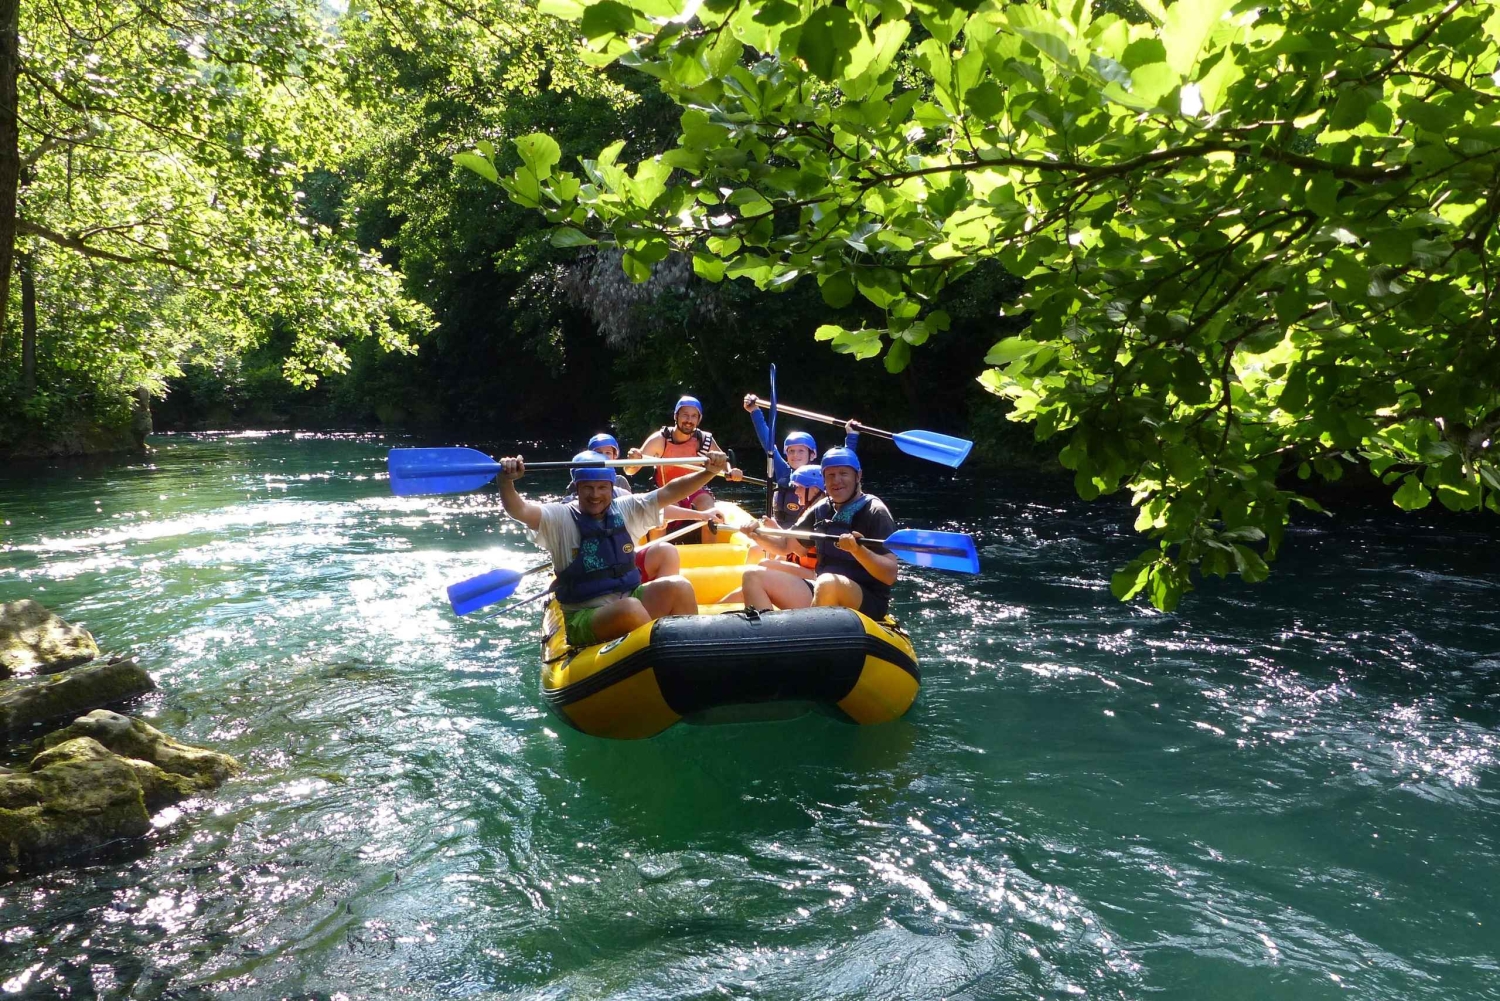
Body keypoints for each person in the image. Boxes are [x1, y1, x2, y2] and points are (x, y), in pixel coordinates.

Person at [497, 447, 731, 647]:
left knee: (679, 586)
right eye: (588, 487)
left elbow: (670, 491)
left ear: (611, 487)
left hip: (629, 596)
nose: (595, 495)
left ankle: (690, 652)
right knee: (629, 608)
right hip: (585, 615)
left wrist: (708, 471)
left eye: (602, 487)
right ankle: (664, 654)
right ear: (577, 489)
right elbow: (520, 510)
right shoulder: (559, 517)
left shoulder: (625, 508)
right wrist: (506, 481)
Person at [740, 447, 898, 620]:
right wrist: (756, 534)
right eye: (830, 475)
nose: (836, 480)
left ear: (858, 476)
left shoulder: (875, 511)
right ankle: (769, 640)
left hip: (866, 599)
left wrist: (859, 551)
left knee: (827, 582)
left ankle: (809, 637)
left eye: (843, 473)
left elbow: (889, 575)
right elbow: (786, 546)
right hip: (823, 590)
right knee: (752, 576)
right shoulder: (821, 509)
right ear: (824, 479)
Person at [586, 431, 723, 580]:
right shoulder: (573, 500)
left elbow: (649, 506)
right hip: (593, 558)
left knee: (666, 550)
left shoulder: (620, 488)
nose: (603, 458)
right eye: (598, 453)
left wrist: (702, 515)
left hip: (621, 554)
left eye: (607, 453)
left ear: (614, 456)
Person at [629, 395, 742, 542]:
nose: (689, 420)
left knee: (709, 509)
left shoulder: (705, 439)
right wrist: (633, 461)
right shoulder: (660, 439)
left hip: (695, 491)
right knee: (660, 515)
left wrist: (731, 471)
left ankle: (711, 557)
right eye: (685, 415)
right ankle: (654, 553)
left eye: (694, 416)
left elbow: (722, 462)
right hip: (667, 490)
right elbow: (630, 471)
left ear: (698, 419)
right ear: (676, 416)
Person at [742, 393, 860, 527]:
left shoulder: (820, 475)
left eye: (801, 451)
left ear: (812, 455)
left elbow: (844, 461)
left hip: (801, 536)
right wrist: (755, 411)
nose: (795, 455)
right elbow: (767, 443)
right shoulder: (783, 471)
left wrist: (852, 435)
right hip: (779, 530)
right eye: (791, 451)